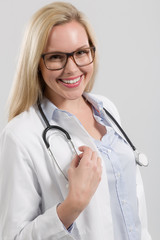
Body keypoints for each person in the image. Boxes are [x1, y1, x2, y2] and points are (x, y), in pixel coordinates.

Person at [0, 2, 151, 240]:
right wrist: (73, 205)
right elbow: (14, 237)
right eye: (56, 57)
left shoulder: (106, 109)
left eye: (81, 52)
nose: (72, 68)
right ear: (37, 63)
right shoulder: (20, 136)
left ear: (92, 52)